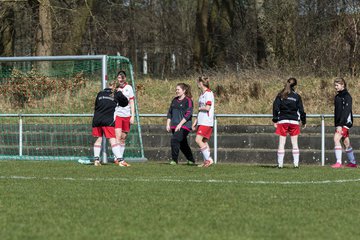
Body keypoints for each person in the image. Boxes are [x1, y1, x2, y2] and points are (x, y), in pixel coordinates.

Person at [92, 80, 129, 166]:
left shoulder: (100, 93)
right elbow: (125, 103)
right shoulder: (116, 94)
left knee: (98, 140)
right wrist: (119, 93)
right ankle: (120, 161)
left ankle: (96, 160)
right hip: (107, 121)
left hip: (97, 120)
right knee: (113, 141)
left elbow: (96, 104)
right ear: (116, 87)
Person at [272, 77, 306, 168]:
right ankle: (296, 164)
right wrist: (303, 121)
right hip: (294, 121)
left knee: (281, 143)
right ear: (295, 86)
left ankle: (280, 164)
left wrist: (275, 120)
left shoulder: (280, 95)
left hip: (283, 121)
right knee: (294, 143)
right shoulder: (297, 96)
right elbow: (301, 110)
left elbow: (275, 107)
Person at [166, 83, 195, 165]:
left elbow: (188, 114)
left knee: (174, 140)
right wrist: (168, 124)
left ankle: (174, 160)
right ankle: (191, 160)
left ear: (184, 90)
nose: (176, 91)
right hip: (174, 126)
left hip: (184, 126)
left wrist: (180, 124)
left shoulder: (188, 101)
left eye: (178, 89)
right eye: (176, 89)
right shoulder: (174, 100)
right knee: (183, 144)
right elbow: (170, 113)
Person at [331, 77, 356, 168]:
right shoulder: (337, 96)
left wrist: (341, 125)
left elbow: (346, 111)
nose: (335, 87)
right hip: (340, 123)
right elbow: (338, 112)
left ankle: (338, 162)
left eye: (337, 85)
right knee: (346, 142)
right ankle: (352, 162)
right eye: (335, 85)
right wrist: (337, 124)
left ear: (343, 85)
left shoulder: (347, 96)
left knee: (336, 138)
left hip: (345, 123)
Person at [192, 76, 215, 167]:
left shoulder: (209, 93)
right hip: (201, 121)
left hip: (206, 121)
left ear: (201, 83)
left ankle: (209, 159)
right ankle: (206, 161)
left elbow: (207, 107)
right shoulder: (202, 94)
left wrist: (201, 108)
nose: (197, 84)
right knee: (204, 141)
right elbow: (200, 110)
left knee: (198, 140)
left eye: (198, 82)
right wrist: (195, 122)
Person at [114, 70, 135, 167]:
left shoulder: (129, 88)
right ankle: (117, 158)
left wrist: (133, 116)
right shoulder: (116, 89)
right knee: (117, 137)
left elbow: (131, 102)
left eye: (122, 78)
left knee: (123, 138)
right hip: (118, 115)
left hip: (127, 116)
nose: (120, 79)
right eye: (119, 78)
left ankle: (120, 157)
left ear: (125, 78)